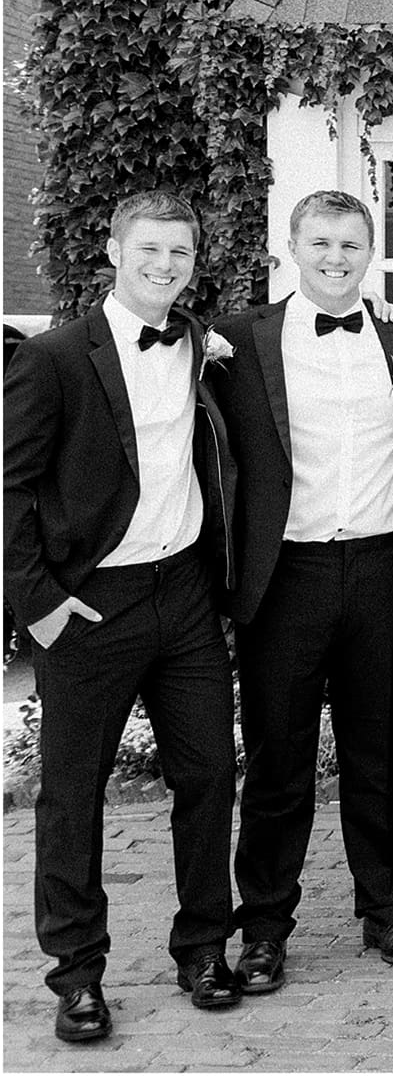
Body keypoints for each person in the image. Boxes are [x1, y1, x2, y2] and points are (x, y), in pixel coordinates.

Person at [4, 190, 243, 1042]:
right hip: (89, 604)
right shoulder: (56, 355)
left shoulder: (202, 344)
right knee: (72, 794)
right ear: (113, 249)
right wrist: (37, 603)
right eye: (149, 249)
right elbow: (11, 485)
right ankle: (77, 974)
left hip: (182, 596)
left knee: (210, 773)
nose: (164, 265)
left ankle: (204, 946)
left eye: (180, 252)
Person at [209, 190, 393, 992]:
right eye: (321, 242)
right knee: (278, 761)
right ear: (292, 247)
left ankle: (387, 908)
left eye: (350, 244)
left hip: (380, 568)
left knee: (376, 753)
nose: (336, 257)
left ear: (370, 252)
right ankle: (264, 926)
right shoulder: (235, 340)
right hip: (287, 573)